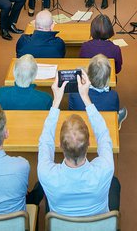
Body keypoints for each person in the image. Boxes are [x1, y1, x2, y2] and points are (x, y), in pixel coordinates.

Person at [35, 72, 119, 215]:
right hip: (97, 225)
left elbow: (45, 142)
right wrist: (86, 97)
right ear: (89, 143)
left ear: (60, 145)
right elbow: (104, 135)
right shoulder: (105, 169)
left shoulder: (46, 174)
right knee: (115, 184)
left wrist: (56, 101)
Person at [68, 54, 126, 124]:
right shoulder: (113, 96)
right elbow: (114, 111)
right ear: (108, 77)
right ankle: (118, 120)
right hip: (104, 125)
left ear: (88, 73)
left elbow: (70, 113)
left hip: (81, 127)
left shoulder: (74, 94)